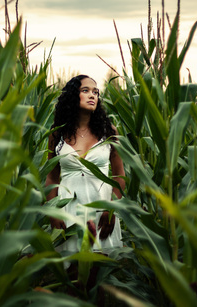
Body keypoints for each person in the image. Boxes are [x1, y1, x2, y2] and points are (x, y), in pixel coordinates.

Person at [45, 75, 126, 255]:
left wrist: (111, 208)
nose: (93, 96)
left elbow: (119, 175)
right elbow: (51, 176)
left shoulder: (109, 132)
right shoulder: (57, 134)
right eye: (86, 91)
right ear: (73, 95)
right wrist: (53, 212)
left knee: (104, 274)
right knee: (72, 273)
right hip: (69, 213)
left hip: (102, 213)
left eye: (96, 92)